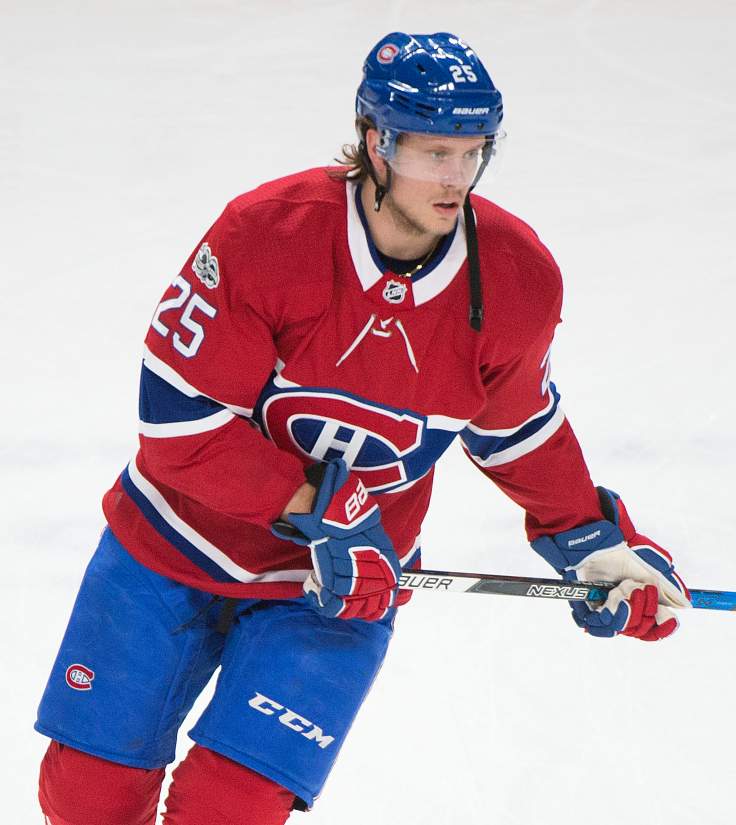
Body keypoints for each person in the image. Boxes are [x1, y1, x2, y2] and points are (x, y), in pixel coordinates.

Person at [34, 32, 689, 825]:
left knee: (228, 810)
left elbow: (517, 428)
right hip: (174, 546)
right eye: (436, 152)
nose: (458, 178)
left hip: (337, 589)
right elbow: (180, 433)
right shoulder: (266, 234)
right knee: (87, 798)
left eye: (474, 152)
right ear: (377, 142)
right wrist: (331, 508)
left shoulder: (516, 277)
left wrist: (593, 541)